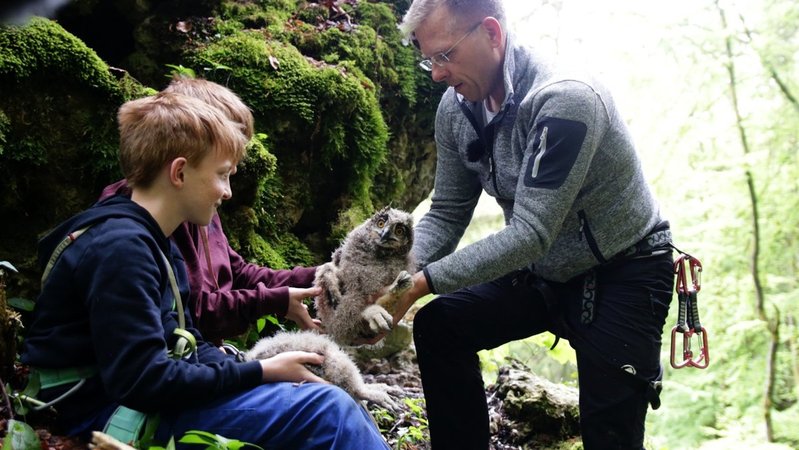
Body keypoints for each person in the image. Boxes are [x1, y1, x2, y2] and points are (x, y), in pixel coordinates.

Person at [21, 91, 390, 449]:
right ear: (179, 173)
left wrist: (260, 368)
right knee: (329, 412)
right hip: (100, 413)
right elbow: (143, 379)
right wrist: (261, 372)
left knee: (320, 393)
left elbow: (187, 343)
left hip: (130, 398)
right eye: (223, 175)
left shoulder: (157, 240)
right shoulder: (122, 248)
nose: (228, 192)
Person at [387, 0, 675, 448]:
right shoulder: (455, 108)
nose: (437, 73)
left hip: (625, 271)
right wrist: (394, 277)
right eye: (429, 60)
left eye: (445, 55)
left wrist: (420, 284)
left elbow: (530, 234)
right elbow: (445, 213)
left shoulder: (566, 98)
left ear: (491, 33)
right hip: (544, 272)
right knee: (440, 326)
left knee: (609, 434)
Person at [100, 76, 320, 346]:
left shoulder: (200, 207)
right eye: (229, 148)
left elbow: (237, 273)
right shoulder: (157, 216)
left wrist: (321, 275)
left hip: (201, 357)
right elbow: (192, 312)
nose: (236, 167)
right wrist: (272, 300)